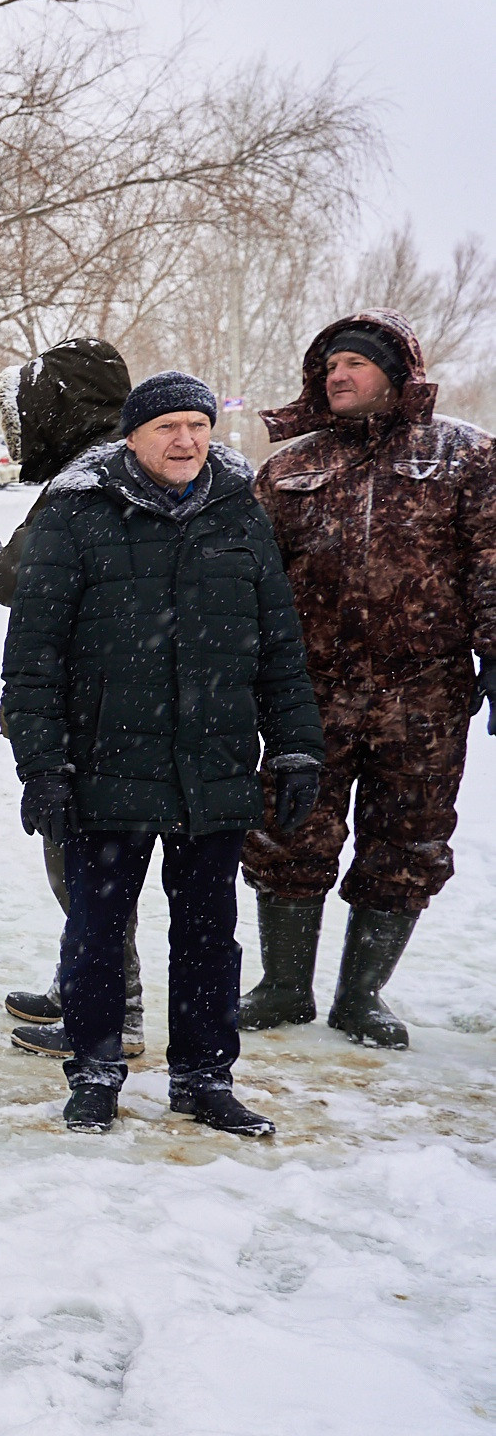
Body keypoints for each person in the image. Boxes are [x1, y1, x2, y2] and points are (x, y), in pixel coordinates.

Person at [3, 372, 325, 1136]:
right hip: (107, 763)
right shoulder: (78, 512)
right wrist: (42, 764)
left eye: (197, 425)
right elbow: (34, 656)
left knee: (209, 936)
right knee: (96, 932)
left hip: (211, 767)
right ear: (132, 436)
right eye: (167, 427)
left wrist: (295, 747)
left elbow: (279, 643)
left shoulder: (238, 512)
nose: (186, 440)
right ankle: (94, 1072)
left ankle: (204, 1077)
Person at [238, 312, 496, 1049]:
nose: (338, 376)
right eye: (328, 367)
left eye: (354, 363)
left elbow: (491, 560)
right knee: (288, 831)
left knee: (409, 842)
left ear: (396, 372)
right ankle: (284, 986)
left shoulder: (468, 456)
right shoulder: (289, 467)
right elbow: (250, 579)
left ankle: (361, 995)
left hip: (424, 694)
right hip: (308, 693)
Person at [0, 339, 147, 1059]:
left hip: (88, 703)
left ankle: (112, 1007)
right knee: (89, 860)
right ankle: (88, 984)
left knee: (84, 861)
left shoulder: (88, 479)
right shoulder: (124, 465)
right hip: (113, 697)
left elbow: (14, 577)